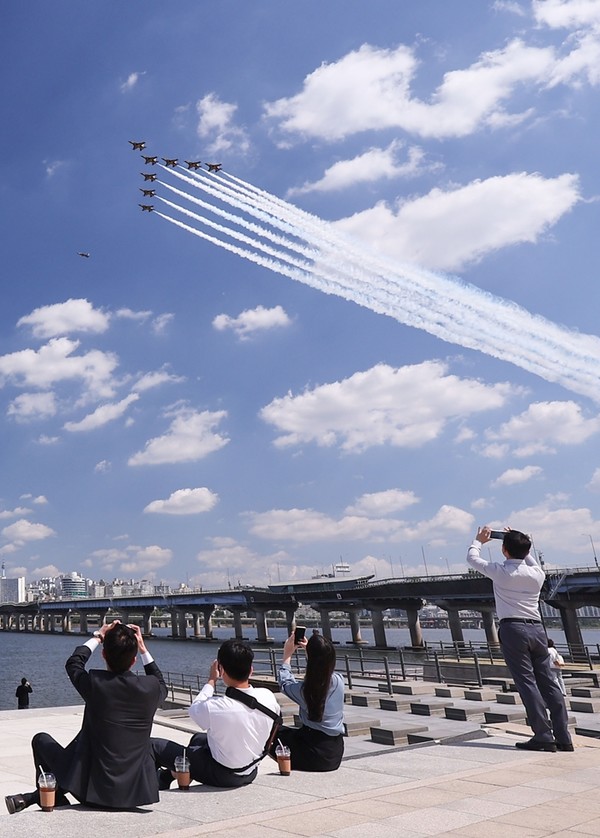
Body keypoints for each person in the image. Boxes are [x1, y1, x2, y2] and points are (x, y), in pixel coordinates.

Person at [5, 620, 167, 815]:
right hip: (135, 794)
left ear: (104, 654)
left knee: (41, 740)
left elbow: (74, 663)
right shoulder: (150, 688)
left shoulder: (96, 684)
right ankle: (37, 797)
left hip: (92, 794)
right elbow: (160, 682)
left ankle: (47, 797)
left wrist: (98, 636)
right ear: (133, 660)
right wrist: (142, 648)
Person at [467, 526, 573, 753]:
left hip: (513, 629)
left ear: (504, 551)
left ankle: (543, 736)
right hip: (537, 630)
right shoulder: (537, 574)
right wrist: (519, 539)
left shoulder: (500, 571)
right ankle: (564, 737)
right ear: (526, 551)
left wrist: (479, 540)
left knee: (527, 682)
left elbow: (472, 558)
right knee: (549, 682)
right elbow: (528, 558)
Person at [151, 639, 282, 789]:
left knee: (154, 745)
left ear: (222, 670)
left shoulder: (217, 707)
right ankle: (169, 776)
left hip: (222, 775)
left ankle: (151, 787)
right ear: (251, 670)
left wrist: (211, 680)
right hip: (251, 770)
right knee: (198, 739)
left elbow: (195, 709)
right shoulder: (268, 696)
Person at [272, 631, 345, 771]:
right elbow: (322, 669)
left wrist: (287, 656)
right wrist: (310, 652)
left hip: (311, 752)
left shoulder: (305, 691)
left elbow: (285, 683)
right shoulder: (338, 681)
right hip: (334, 753)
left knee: (273, 732)